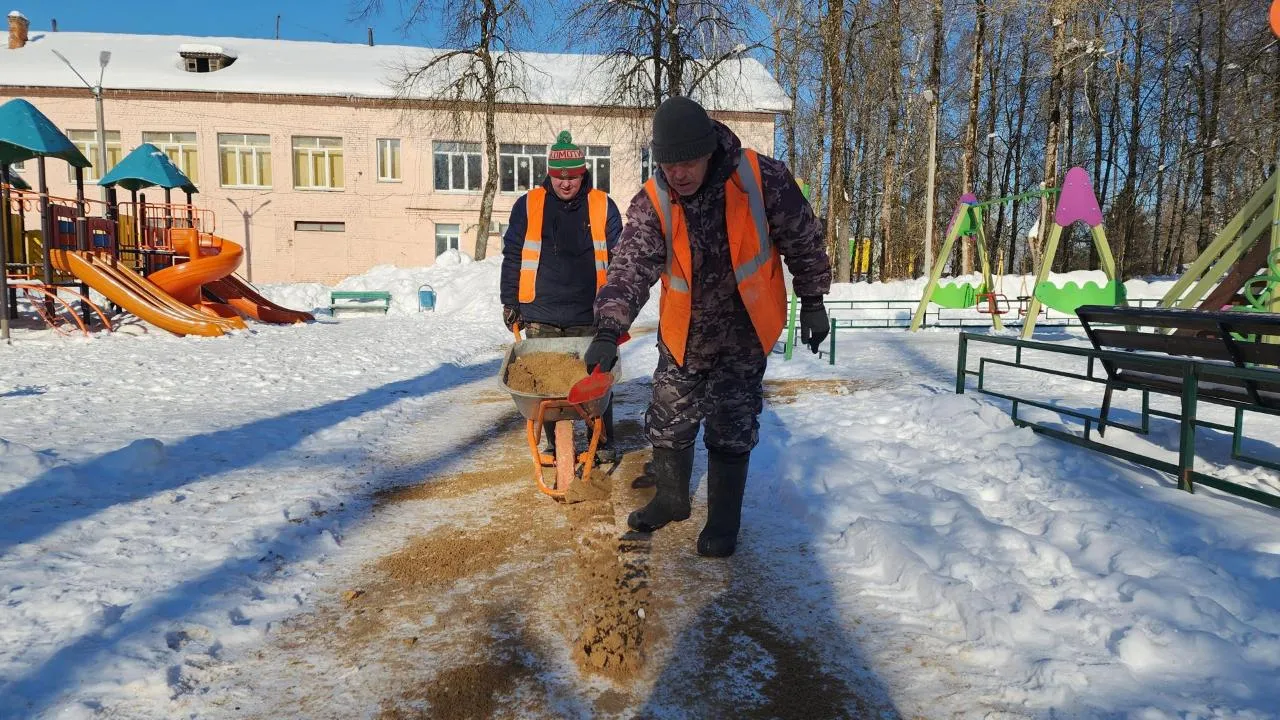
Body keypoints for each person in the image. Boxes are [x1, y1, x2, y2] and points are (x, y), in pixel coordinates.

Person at [583, 96, 831, 557]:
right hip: (684, 333)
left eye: (687, 162)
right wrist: (606, 329)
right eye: (668, 164)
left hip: (745, 330)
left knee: (731, 424)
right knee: (667, 419)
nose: (677, 174)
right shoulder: (655, 199)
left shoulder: (761, 178)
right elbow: (630, 268)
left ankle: (722, 522)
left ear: (709, 149)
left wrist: (813, 299)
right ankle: (673, 499)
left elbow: (803, 235)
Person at [501, 130, 624, 461]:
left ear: (583, 173)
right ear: (549, 173)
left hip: (590, 313)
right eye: (559, 176)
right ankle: (556, 444)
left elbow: (621, 262)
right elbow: (513, 254)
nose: (566, 183)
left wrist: (616, 311)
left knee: (596, 381)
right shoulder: (529, 205)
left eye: (572, 176)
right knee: (547, 387)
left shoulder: (602, 205)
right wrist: (509, 300)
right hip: (540, 312)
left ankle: (602, 440)